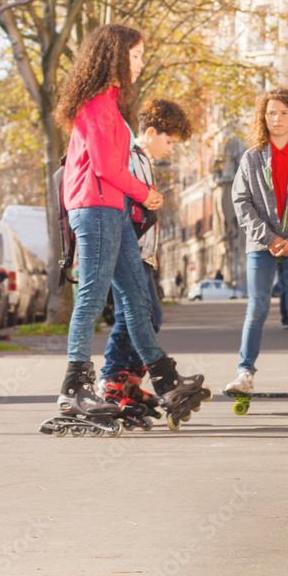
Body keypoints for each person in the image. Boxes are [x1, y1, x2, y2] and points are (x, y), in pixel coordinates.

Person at [39, 24, 206, 437]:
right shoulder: (95, 105)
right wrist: (145, 193)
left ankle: (164, 378)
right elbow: (104, 167)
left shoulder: (112, 106)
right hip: (93, 208)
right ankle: (74, 386)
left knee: (136, 299)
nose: (140, 62)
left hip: (111, 209)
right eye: (135, 55)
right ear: (114, 56)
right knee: (92, 298)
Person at [99, 98, 194, 423]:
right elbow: (121, 196)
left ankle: (127, 381)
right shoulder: (128, 155)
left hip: (142, 252)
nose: (170, 149)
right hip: (128, 250)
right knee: (134, 316)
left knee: (146, 316)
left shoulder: (142, 158)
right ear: (151, 132)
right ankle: (112, 382)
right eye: (169, 141)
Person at [227, 87, 288, 394]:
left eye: (284, 113)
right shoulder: (251, 157)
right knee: (256, 308)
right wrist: (268, 238)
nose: (277, 119)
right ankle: (245, 373)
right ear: (263, 117)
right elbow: (241, 201)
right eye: (271, 113)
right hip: (261, 245)